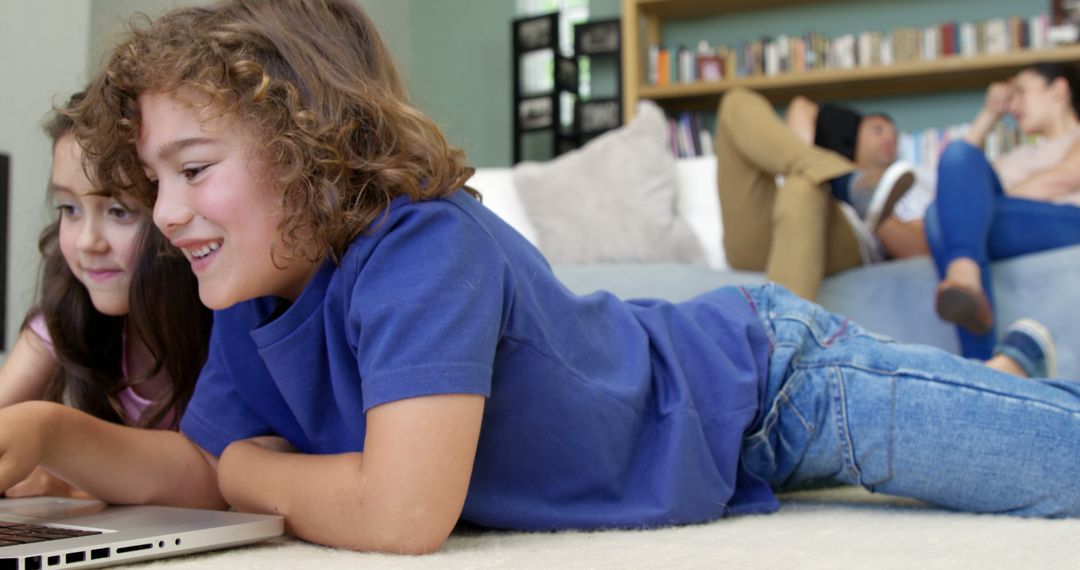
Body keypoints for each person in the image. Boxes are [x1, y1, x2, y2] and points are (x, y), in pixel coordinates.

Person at [2, 0, 1078, 556]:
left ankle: (1020, 370)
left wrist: (246, 473)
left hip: (765, 391)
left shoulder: (424, 244)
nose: (167, 214)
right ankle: (1016, 359)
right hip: (708, 438)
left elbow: (400, 511)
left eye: (192, 171)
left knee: (1058, 461)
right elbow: (202, 466)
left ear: (312, 148)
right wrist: (51, 436)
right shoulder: (244, 292)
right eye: (155, 179)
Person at [0, 93, 212, 498]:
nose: (86, 242)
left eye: (119, 212)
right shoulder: (63, 317)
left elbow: (216, 477)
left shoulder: (229, 324)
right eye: (68, 209)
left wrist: (70, 482)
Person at [926, 62, 1080, 359]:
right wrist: (988, 115)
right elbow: (954, 184)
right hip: (1013, 225)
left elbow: (1066, 177)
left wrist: (979, 202)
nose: (1014, 105)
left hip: (1070, 222)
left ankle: (977, 358)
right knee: (957, 159)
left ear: (1059, 89)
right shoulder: (1017, 156)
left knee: (951, 214)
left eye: (1021, 92)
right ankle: (965, 277)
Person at [715, 87, 926, 300]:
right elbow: (801, 107)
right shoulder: (821, 157)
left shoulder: (904, 179)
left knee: (803, 186)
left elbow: (918, 250)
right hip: (760, 236)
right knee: (735, 101)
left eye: (895, 135)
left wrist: (878, 209)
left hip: (843, 242)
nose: (889, 138)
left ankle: (785, 329)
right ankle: (844, 181)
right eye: (878, 130)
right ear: (854, 136)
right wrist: (835, 173)